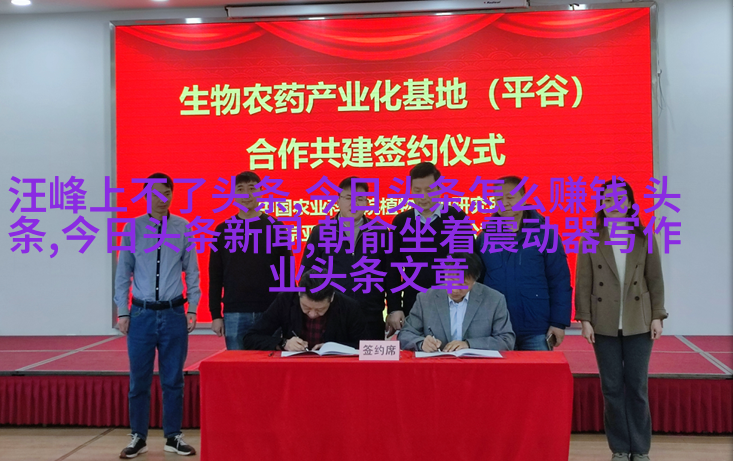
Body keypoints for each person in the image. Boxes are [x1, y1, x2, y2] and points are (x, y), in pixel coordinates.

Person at [575, 179, 666, 461]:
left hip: (639, 321)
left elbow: (655, 279)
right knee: (612, 388)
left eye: (618, 198)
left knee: (637, 386)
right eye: (607, 199)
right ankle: (619, 448)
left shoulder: (645, 237)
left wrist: (657, 315)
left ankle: (640, 449)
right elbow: (583, 282)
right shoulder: (591, 237)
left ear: (629, 203)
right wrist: (584, 319)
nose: (613, 204)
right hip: (603, 323)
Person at [114, 173, 199, 458]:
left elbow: (192, 271)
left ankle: (173, 437)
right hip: (141, 314)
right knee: (139, 380)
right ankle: (138, 437)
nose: (162, 199)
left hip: (174, 313)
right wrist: (123, 311)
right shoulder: (133, 228)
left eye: (167, 193)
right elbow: (123, 273)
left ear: (173, 194)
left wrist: (193, 307)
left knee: (173, 380)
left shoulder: (183, 227)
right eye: (155, 194)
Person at [474, 175, 572, 350]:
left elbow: (559, 280)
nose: (504, 203)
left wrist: (558, 322)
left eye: (510, 197)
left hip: (536, 328)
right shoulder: (485, 237)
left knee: (537, 369)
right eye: (498, 199)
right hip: (496, 329)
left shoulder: (546, 235)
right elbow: (476, 283)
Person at [209, 171, 293, 350]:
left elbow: (287, 272)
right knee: (237, 364)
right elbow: (215, 275)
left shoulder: (276, 227)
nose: (246, 195)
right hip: (235, 312)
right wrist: (215, 314)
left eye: (252, 188)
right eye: (240, 189)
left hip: (271, 310)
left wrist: (289, 311)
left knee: (269, 364)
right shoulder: (222, 230)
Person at [386, 162, 469, 336]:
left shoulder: (457, 218)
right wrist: (394, 307)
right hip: (414, 304)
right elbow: (393, 268)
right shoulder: (401, 222)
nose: (423, 196)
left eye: (429, 190)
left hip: (453, 304)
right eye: (417, 190)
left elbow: (469, 264)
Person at [301, 176, 388, 339]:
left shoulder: (380, 232)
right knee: (331, 355)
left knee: (369, 356)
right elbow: (307, 274)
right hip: (330, 315)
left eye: (360, 199)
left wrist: (395, 309)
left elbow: (390, 274)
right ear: (338, 200)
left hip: (370, 316)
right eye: (348, 198)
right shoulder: (321, 232)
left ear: (367, 202)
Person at [399, 253, 515, 352]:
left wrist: (469, 345)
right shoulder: (426, 299)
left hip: (478, 366)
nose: (454, 289)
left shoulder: (494, 300)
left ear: (474, 281)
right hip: (437, 365)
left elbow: (506, 340)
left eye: (462, 284)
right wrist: (421, 343)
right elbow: (405, 334)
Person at [242, 269, 367, 351]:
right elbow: (251, 337)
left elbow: (365, 346)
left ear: (332, 298)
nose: (312, 314)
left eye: (320, 310)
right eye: (306, 308)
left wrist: (335, 348)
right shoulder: (285, 300)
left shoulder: (349, 307)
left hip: (335, 369)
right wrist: (283, 343)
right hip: (294, 367)